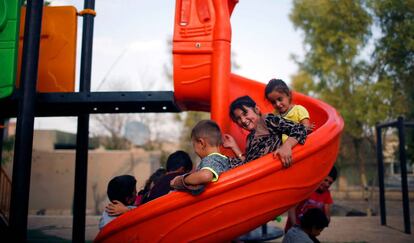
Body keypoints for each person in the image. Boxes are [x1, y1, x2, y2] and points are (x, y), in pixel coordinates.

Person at [222, 95, 307, 168]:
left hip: (269, 170)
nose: (243, 120)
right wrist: (234, 147)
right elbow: (248, 164)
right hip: (253, 173)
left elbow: (299, 129)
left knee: (218, 161)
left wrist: (286, 146)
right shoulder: (250, 138)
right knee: (220, 160)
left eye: (245, 114)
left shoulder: (266, 120)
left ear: (256, 109)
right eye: (238, 119)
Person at [170, 120, 230, 195]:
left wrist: (182, 180)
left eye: (194, 145)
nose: (194, 150)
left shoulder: (211, 159)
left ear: (201, 143)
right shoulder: (224, 160)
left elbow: (206, 176)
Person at [285, 166, 337, 232]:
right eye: (325, 180)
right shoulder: (307, 188)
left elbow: (327, 216)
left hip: (309, 232)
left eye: (330, 183)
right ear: (320, 177)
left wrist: (324, 221)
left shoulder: (326, 194)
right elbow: (292, 209)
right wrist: (295, 226)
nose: (327, 184)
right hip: (294, 229)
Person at [265, 79, 313, 143]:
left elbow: (305, 128)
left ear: (289, 95)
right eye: (273, 102)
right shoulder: (274, 115)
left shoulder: (299, 110)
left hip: (297, 147)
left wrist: (306, 128)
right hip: (279, 149)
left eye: (280, 99)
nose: (278, 104)